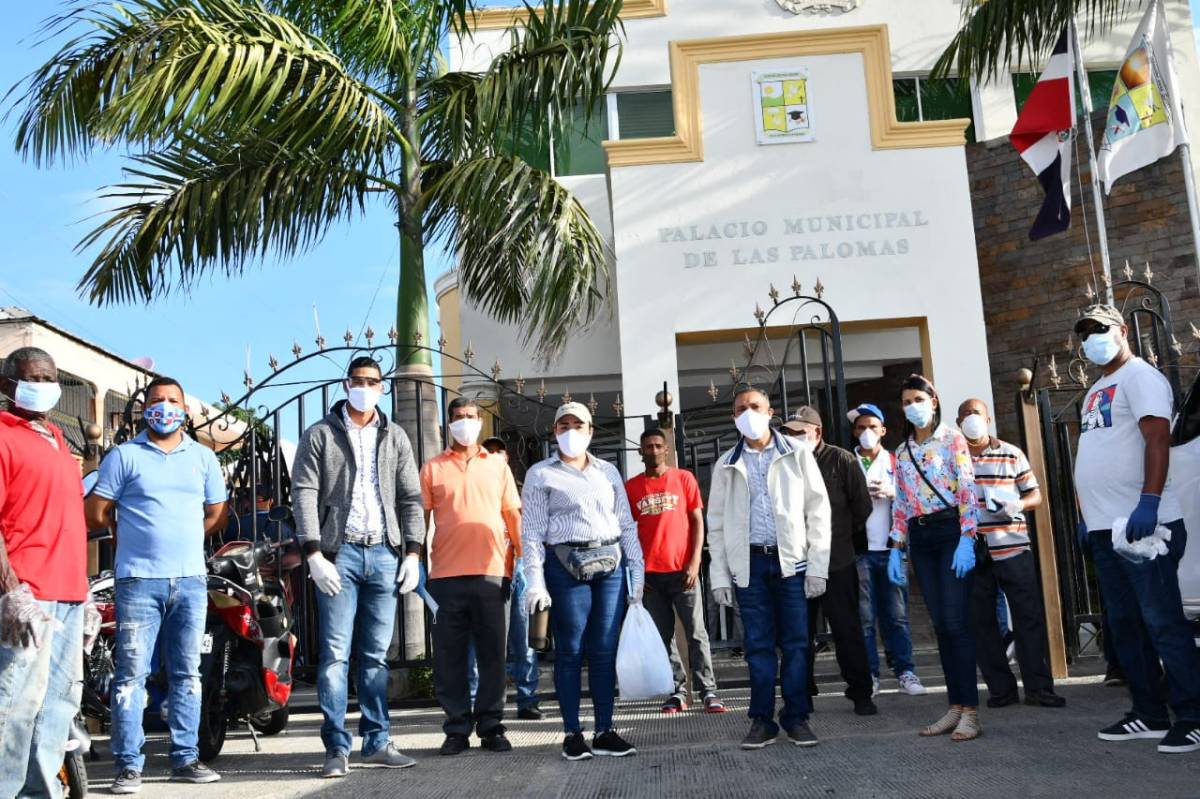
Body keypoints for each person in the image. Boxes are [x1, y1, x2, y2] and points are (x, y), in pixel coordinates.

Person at [86, 376, 228, 792]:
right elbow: (96, 512)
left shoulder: (202, 458)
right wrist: (126, 533)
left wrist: (186, 536)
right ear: (144, 409)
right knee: (131, 676)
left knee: (187, 673)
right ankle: (128, 766)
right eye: (157, 400)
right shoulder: (123, 456)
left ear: (185, 410)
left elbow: (217, 513)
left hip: (190, 581)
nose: (164, 407)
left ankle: (185, 758)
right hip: (137, 581)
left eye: (172, 400)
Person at [1071, 304, 1200, 754]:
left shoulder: (1141, 377)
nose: (1091, 338)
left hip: (1147, 525)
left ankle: (1192, 715)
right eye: (1084, 332)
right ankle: (1149, 712)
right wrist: (1087, 518)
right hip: (1107, 528)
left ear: (1122, 330)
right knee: (1126, 625)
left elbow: (1157, 438)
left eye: (1099, 329)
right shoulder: (1095, 389)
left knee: (1163, 621)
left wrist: (1149, 501)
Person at [291, 356, 426, 777]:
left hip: (384, 554)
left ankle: (377, 741)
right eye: (358, 380)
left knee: (375, 657)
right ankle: (336, 747)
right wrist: (314, 553)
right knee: (334, 655)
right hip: (340, 555)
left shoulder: (395, 436)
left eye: (373, 382)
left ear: (382, 388)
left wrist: (412, 552)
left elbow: (410, 497)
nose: (365, 387)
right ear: (346, 384)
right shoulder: (320, 434)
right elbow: (304, 491)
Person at [708, 386, 831, 749]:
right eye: (741, 409)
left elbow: (818, 511)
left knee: (797, 644)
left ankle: (796, 717)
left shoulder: (796, 452)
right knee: (758, 646)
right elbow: (716, 524)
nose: (748, 413)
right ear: (733, 417)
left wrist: (817, 567)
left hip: (791, 562)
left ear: (770, 411)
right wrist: (720, 575)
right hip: (750, 564)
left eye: (755, 406)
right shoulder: (726, 463)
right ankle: (762, 720)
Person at [521, 402, 643, 761]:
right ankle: (573, 733)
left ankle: (605, 730)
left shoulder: (608, 471)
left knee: (604, 650)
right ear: (555, 431)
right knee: (571, 650)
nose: (571, 431)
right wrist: (535, 581)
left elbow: (626, 524)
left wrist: (637, 570)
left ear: (590, 431)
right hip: (565, 565)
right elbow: (532, 532)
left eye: (579, 425)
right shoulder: (541, 474)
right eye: (564, 425)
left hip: (610, 565)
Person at [0, 347, 90, 798]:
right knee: (15, 705)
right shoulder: (2, 436)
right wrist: (12, 591)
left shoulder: (57, 439)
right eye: (34, 378)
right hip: (27, 595)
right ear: (7, 386)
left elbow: (67, 521)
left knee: (58, 706)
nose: (45, 385)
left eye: (50, 377)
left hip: (68, 594)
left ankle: (40, 792)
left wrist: (84, 593)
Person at [421, 398, 522, 756]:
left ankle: (492, 726)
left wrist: (523, 560)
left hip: (493, 573)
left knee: (493, 655)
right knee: (448, 658)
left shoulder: (497, 466)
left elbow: (513, 515)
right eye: (458, 417)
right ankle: (457, 728)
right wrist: (415, 564)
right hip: (444, 578)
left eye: (470, 417)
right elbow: (421, 521)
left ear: (480, 422)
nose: (464, 422)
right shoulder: (432, 468)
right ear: (448, 423)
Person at [887, 374, 982, 742]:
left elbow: (967, 489)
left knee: (956, 622)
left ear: (933, 400)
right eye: (907, 402)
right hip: (920, 537)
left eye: (918, 399)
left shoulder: (952, 439)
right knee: (941, 624)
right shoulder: (902, 451)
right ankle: (955, 706)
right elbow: (901, 502)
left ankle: (971, 711)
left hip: (950, 533)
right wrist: (896, 548)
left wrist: (968, 538)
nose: (913, 407)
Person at [956, 398, 1065, 710]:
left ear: (988, 419)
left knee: (1028, 617)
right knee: (981, 622)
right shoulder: (953, 459)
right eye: (966, 414)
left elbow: (1035, 494)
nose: (972, 418)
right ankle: (1001, 689)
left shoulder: (1011, 453)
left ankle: (1039, 688)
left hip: (1013, 546)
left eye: (977, 413)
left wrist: (1016, 504)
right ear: (958, 421)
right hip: (974, 551)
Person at [780, 407, 876, 716]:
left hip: (837, 560)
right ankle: (801, 694)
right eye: (789, 432)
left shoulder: (842, 460)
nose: (793, 437)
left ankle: (860, 692)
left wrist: (841, 536)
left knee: (847, 630)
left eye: (799, 432)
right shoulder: (784, 461)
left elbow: (862, 507)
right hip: (797, 562)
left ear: (817, 432)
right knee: (798, 634)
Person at [625, 428, 724, 715]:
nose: (654, 450)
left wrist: (695, 561)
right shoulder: (632, 487)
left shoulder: (684, 479)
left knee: (697, 633)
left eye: (658, 445)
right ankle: (677, 691)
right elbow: (627, 532)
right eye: (648, 446)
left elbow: (697, 521)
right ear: (640, 452)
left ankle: (708, 691)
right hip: (650, 576)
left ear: (667, 449)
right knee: (663, 637)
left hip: (683, 571)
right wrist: (636, 573)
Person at [847, 403, 926, 697]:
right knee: (865, 619)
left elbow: (915, 498)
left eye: (872, 427)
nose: (866, 432)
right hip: (860, 551)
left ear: (883, 430)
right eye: (860, 428)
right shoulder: (847, 462)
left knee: (897, 616)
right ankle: (870, 675)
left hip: (892, 549)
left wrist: (893, 492)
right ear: (854, 433)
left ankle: (905, 671)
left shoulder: (896, 461)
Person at [481, 436, 541, 720]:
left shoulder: (520, 491)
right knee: (492, 641)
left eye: (500, 451)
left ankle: (528, 700)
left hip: (519, 566)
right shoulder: (477, 490)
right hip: (490, 569)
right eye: (489, 451)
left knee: (524, 639)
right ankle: (491, 703)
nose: (495, 455)